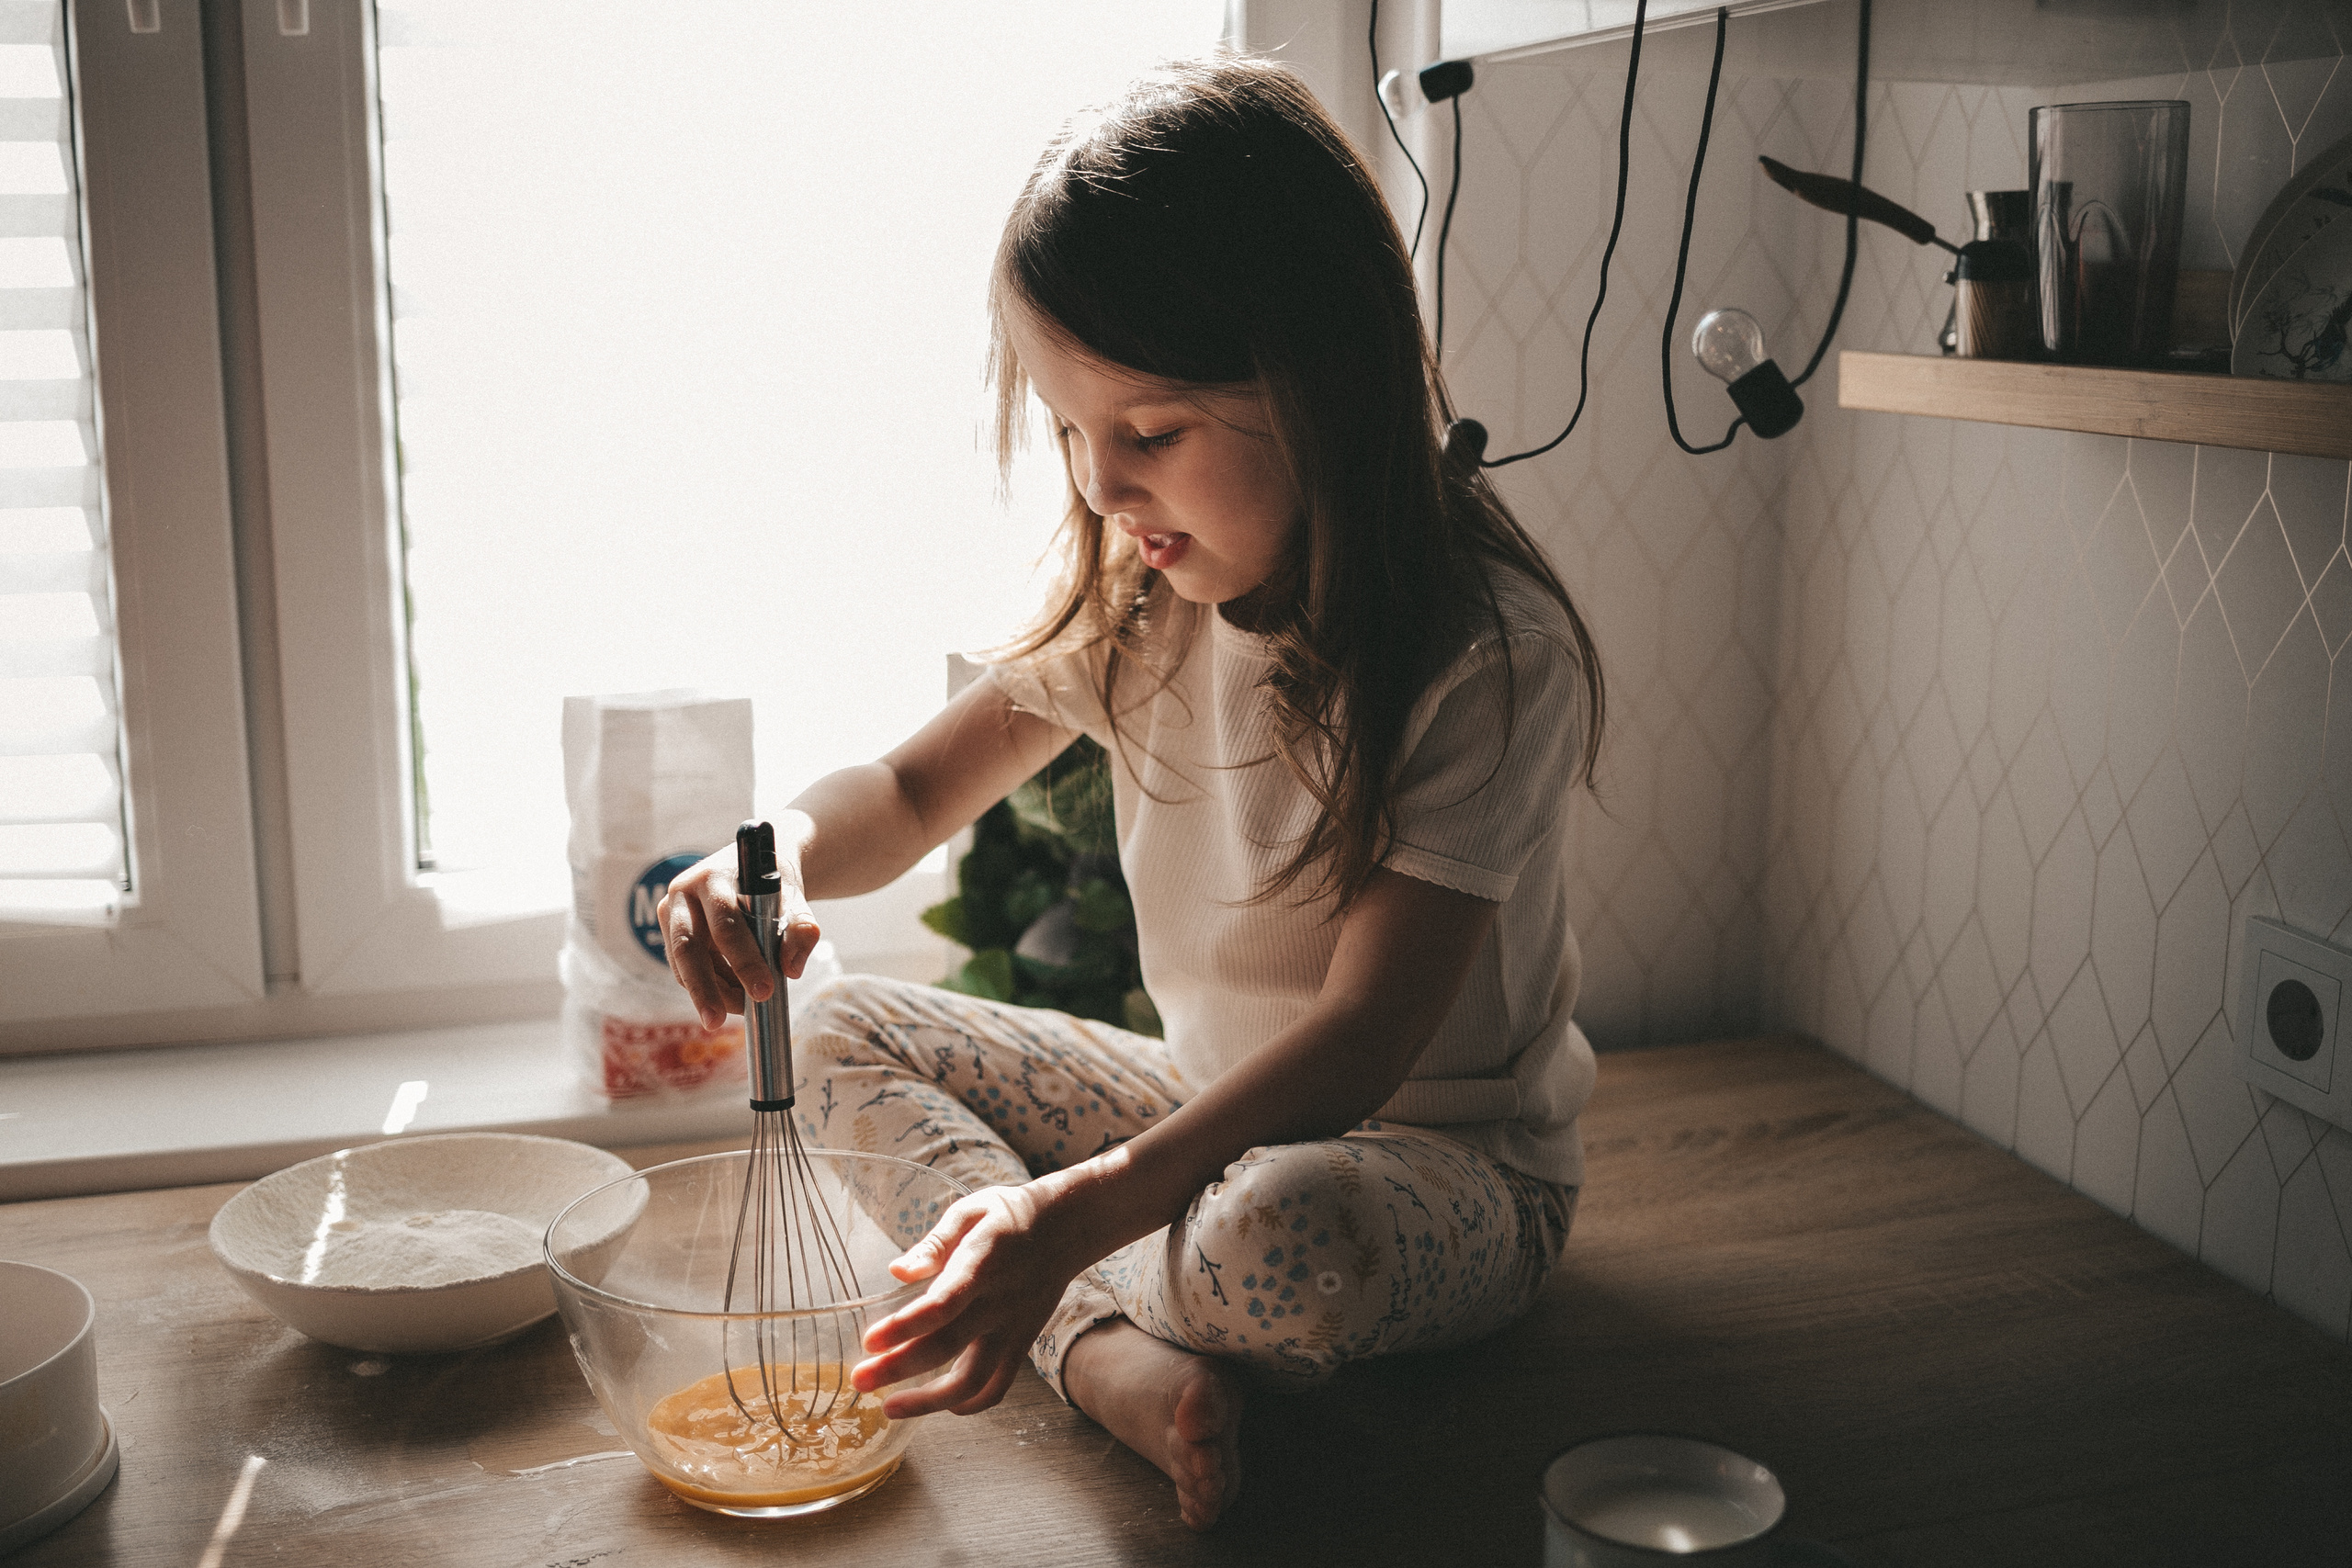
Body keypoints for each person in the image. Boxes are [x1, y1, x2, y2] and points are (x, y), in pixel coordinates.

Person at [657, 53, 1605, 1532]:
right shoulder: (1139, 596)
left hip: (1447, 1172)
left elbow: (1360, 1043)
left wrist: (1070, 1205)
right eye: (1068, 432)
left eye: (1148, 433)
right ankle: (1102, 1350)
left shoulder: (1483, 654)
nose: (1101, 488)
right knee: (839, 1018)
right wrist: (759, 854)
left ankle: (1072, 1309)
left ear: (1320, 385)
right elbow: (909, 791)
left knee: (1285, 1237)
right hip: (1201, 1110)